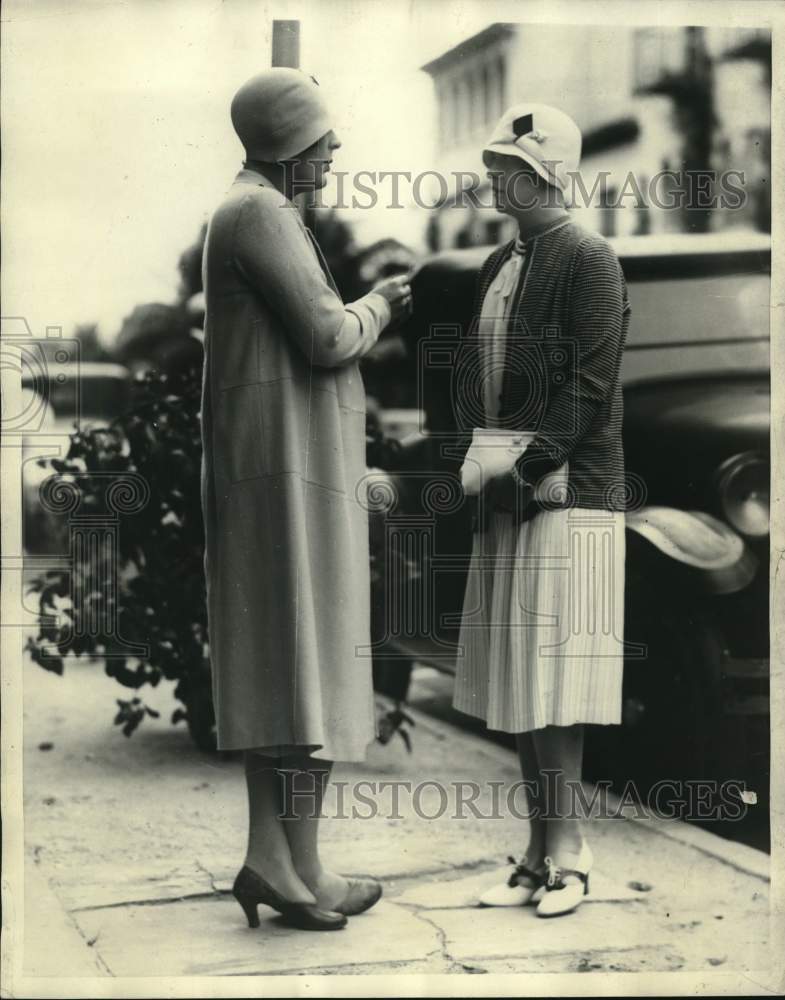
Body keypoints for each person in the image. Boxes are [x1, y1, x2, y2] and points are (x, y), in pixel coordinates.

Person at [199, 68, 411, 931]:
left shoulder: (252, 209)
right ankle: (279, 863)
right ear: (288, 138)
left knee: (294, 666)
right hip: (281, 477)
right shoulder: (260, 212)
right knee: (296, 662)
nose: (333, 151)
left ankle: (292, 865)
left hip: (285, 471)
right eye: (322, 137)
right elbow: (326, 336)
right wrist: (381, 305)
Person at [451, 103, 631, 917]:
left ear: (539, 173)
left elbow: (589, 386)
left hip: (569, 493)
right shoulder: (501, 260)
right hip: (509, 490)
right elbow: (476, 373)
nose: (491, 176)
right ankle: (534, 853)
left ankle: (571, 854)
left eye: (502, 164)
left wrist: (525, 463)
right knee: (522, 682)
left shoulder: (588, 257)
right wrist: (473, 452)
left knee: (558, 683)